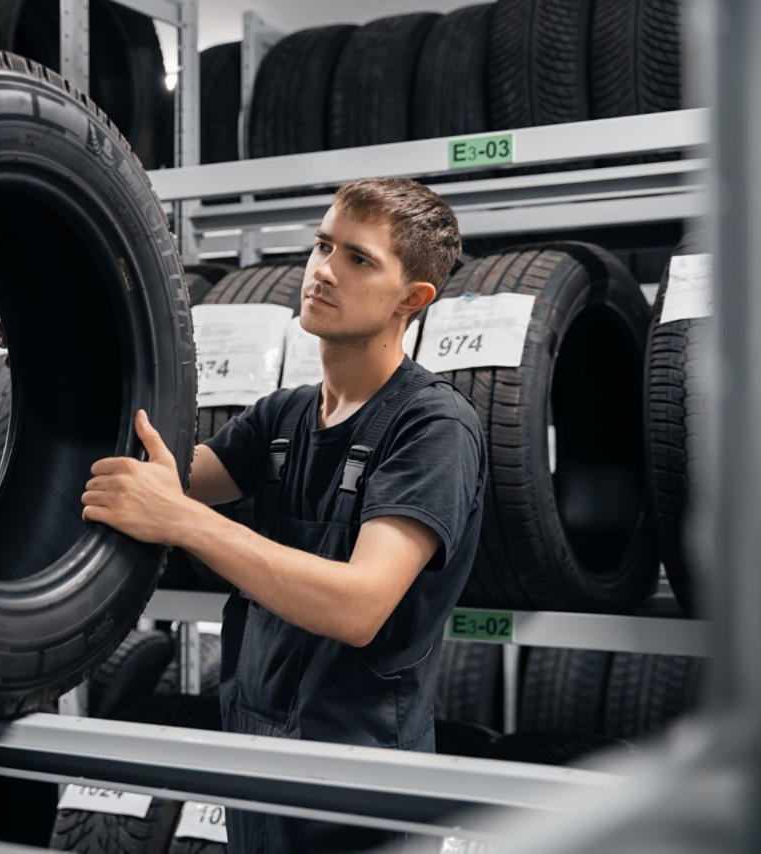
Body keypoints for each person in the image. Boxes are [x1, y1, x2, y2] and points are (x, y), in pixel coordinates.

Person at [82, 176, 485, 851]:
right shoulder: (284, 415)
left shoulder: (434, 427)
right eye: (323, 245)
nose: (322, 270)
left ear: (412, 299)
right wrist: (70, 358)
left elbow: (359, 606)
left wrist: (183, 521)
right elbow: (149, 474)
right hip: (256, 758)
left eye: (358, 259)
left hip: (357, 785)